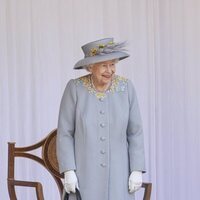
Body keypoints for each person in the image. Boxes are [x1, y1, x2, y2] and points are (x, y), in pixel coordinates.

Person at [56, 38, 146, 200]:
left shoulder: (126, 88)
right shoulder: (75, 88)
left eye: (113, 64)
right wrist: (69, 170)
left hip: (120, 175)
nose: (110, 70)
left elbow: (135, 132)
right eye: (104, 65)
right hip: (84, 174)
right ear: (90, 67)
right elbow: (65, 133)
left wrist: (136, 169)